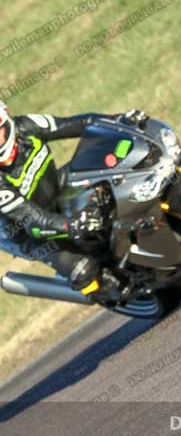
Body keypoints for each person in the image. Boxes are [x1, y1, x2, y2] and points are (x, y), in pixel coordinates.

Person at [0, 102, 143, 300]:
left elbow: (75, 123)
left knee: (104, 164)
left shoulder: (26, 126)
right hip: (28, 232)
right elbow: (33, 219)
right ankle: (108, 290)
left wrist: (117, 120)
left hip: (55, 188)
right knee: (83, 270)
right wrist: (72, 225)